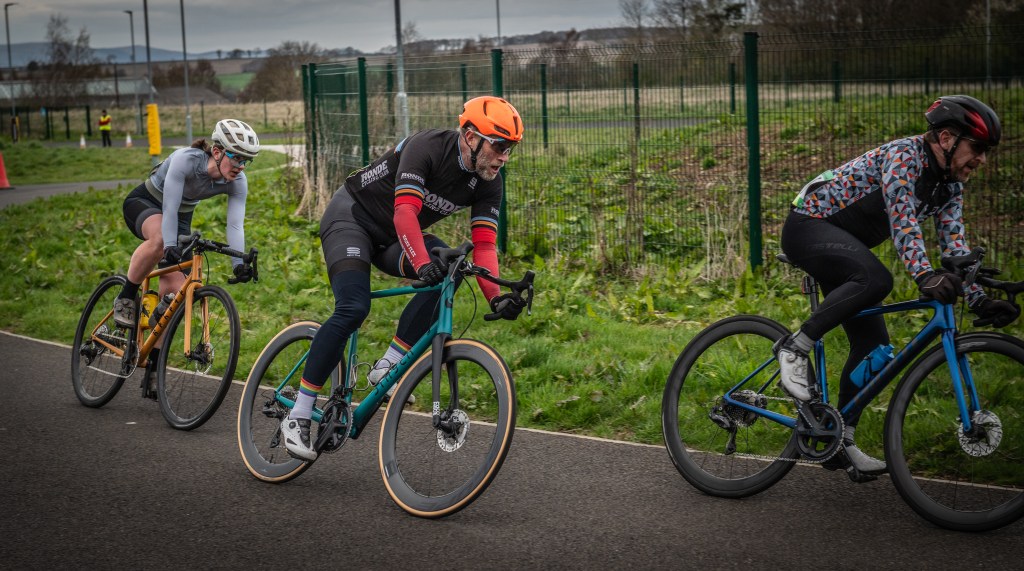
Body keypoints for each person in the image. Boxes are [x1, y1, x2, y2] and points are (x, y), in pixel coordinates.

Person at [775, 95, 1021, 478]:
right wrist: (925, 276)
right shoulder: (905, 157)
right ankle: (794, 348)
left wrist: (978, 300)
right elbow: (904, 223)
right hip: (809, 226)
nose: (982, 160)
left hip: (845, 248)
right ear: (946, 139)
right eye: (977, 148)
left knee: (875, 351)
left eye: (986, 152)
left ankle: (840, 439)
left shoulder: (950, 186)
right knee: (876, 280)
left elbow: (955, 250)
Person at [279, 96, 527, 461]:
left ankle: (388, 365)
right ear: (472, 137)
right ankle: (299, 414)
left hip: (391, 240)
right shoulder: (427, 146)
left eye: (510, 149)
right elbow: (405, 214)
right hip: (352, 219)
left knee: (453, 267)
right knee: (353, 308)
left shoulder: (489, 181)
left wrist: (496, 296)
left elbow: (485, 245)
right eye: (500, 146)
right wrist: (421, 263)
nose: (504, 157)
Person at [112, 118, 260, 394]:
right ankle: (126, 296)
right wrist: (170, 245)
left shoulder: (238, 181)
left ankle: (154, 366)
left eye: (246, 160)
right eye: (237, 157)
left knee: (176, 294)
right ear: (217, 151)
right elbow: (168, 208)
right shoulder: (185, 160)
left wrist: (238, 263)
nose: (241, 166)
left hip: (180, 217)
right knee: (159, 240)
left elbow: (235, 225)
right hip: (147, 202)